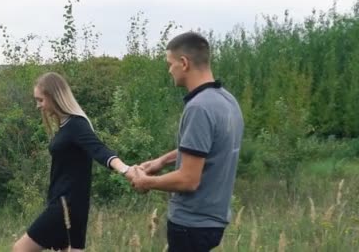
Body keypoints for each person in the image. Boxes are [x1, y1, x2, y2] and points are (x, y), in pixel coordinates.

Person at [128, 32, 244, 251]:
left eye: (170, 64)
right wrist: (161, 161)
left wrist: (146, 182)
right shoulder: (226, 100)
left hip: (192, 223)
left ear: (184, 63)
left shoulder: (198, 107)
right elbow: (206, 147)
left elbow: (188, 180)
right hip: (213, 220)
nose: (169, 70)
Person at [13, 72, 132, 252]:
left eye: (40, 100)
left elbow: (99, 149)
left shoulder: (76, 124)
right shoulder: (65, 125)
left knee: (20, 249)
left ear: (54, 97)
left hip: (66, 205)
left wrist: (125, 169)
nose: (38, 106)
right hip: (67, 203)